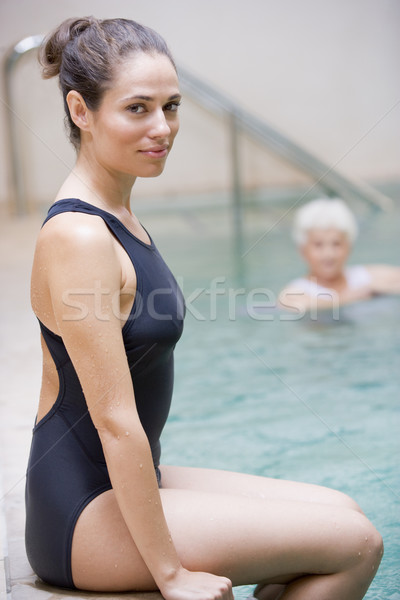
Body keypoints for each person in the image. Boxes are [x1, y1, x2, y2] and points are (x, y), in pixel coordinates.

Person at [25, 17, 383, 600]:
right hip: (83, 512)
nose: (162, 127)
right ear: (80, 110)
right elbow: (115, 423)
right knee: (356, 543)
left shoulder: (120, 218)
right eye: (137, 108)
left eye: (171, 106)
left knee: (343, 510)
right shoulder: (79, 236)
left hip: (128, 484)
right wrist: (172, 575)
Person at [279, 197, 400, 315]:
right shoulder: (296, 292)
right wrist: (354, 296)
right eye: (318, 245)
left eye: (336, 244)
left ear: (349, 247)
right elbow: (292, 305)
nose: (328, 254)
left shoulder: (368, 277)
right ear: (303, 251)